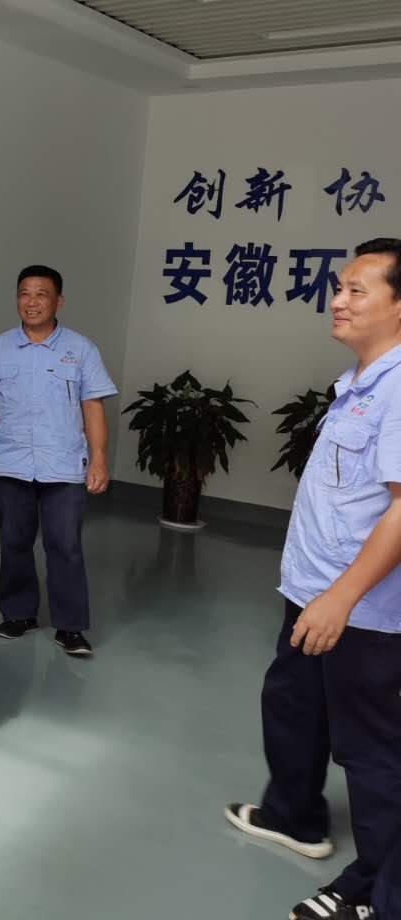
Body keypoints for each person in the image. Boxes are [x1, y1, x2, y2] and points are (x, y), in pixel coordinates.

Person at [223, 238, 401, 920]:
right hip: (312, 592)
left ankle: (378, 893)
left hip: (359, 611)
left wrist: (343, 598)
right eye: (339, 286)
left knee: (371, 751)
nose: (338, 300)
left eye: (358, 289)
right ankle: (293, 815)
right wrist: (318, 595)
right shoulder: (357, 381)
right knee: (293, 707)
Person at [0, 265, 116, 657]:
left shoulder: (81, 349)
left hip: (64, 467)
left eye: (41, 294)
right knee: (14, 542)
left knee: (65, 545)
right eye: (24, 293)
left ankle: (70, 626)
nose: (31, 302)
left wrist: (99, 459)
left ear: (58, 301)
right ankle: (18, 614)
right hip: (10, 465)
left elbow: (93, 407)